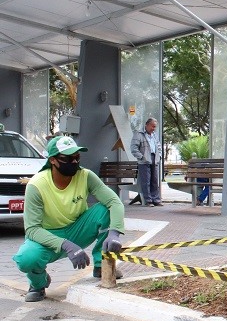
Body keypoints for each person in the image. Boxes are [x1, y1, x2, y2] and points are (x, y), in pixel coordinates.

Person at [13, 136, 125, 302]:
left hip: (77, 229)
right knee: (26, 259)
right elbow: (32, 230)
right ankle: (38, 283)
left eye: (77, 157)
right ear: (52, 160)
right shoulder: (36, 185)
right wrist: (66, 245)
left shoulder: (86, 176)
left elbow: (114, 202)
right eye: (67, 158)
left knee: (105, 210)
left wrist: (114, 232)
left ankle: (102, 266)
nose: (74, 162)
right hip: (48, 237)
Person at [131, 117, 163, 206]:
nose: (154, 128)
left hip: (154, 158)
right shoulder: (139, 134)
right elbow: (133, 148)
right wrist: (141, 157)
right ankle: (148, 200)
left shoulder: (154, 135)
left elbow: (159, 146)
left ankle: (156, 200)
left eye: (155, 126)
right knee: (146, 181)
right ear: (147, 125)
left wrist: (159, 156)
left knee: (155, 180)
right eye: (152, 126)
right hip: (144, 160)